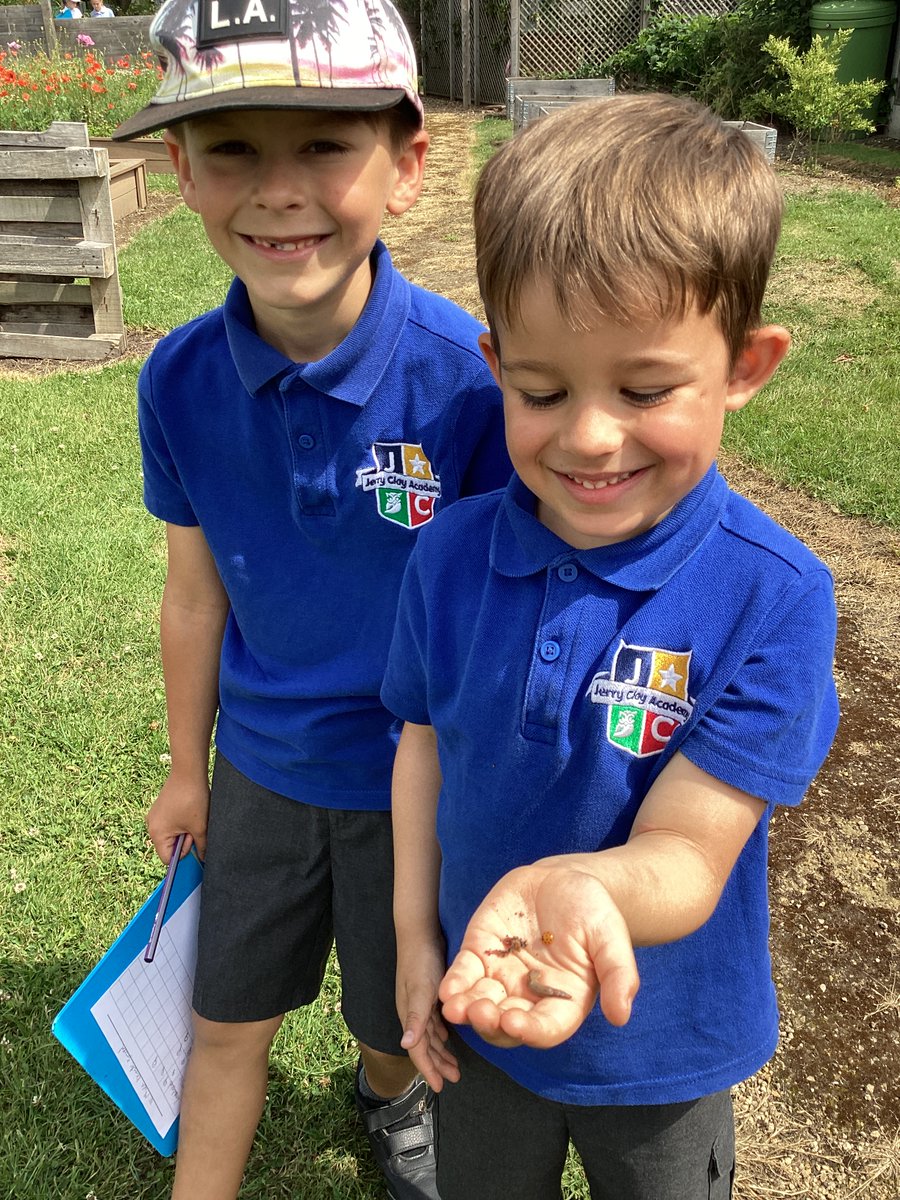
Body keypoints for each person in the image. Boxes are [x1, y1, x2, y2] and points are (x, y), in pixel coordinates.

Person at [382, 92, 840, 1200]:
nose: (590, 436)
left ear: (746, 364)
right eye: (541, 390)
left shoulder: (774, 597)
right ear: (495, 362)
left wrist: (581, 887)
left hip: (663, 1050)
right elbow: (422, 745)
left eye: (645, 389)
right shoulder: (447, 557)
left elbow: (689, 848)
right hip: (484, 1006)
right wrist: (412, 933)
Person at [111, 0, 511, 1196]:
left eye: (325, 145)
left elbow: (507, 611)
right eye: (234, 147)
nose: (279, 191)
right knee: (225, 1022)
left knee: (395, 1025)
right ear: (181, 169)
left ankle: (393, 1104)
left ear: (408, 164)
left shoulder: (473, 386)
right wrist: (186, 769)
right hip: (263, 775)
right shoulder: (177, 381)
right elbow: (195, 597)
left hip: (415, 785)